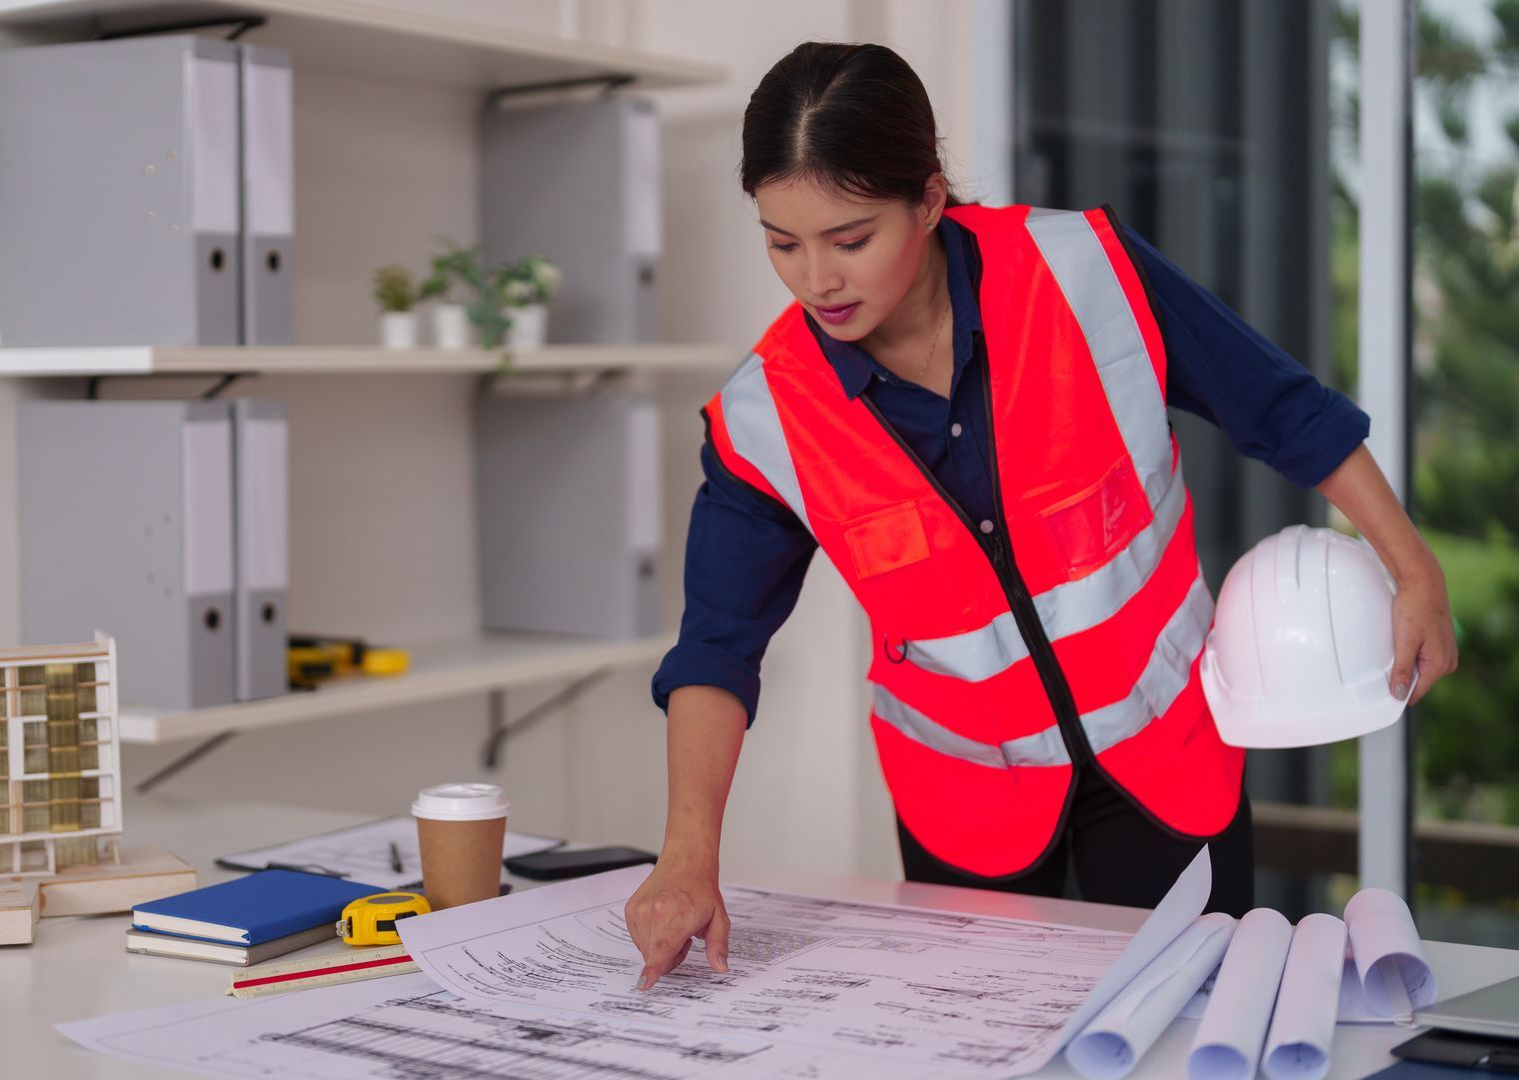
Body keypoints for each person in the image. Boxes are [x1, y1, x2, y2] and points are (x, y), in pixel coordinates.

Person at [623, 41, 1459, 991]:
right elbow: (715, 648)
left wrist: (1412, 564)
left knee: (1188, 1039)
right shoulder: (763, 420)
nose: (817, 280)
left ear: (930, 201)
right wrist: (687, 856)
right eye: (782, 243)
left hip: (1171, 767)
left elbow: (1281, 408)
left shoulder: (1088, 272)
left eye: (850, 238)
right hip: (967, 813)